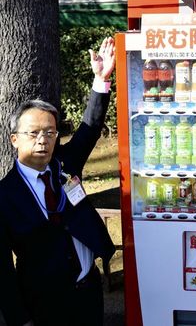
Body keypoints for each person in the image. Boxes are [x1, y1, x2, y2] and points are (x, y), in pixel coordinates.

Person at [0, 37, 117, 326]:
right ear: (15, 139)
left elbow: (89, 129)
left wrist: (101, 80)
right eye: (34, 133)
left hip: (89, 290)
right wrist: (20, 320)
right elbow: (1, 270)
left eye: (50, 132)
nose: (43, 140)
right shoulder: (5, 195)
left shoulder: (65, 164)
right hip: (45, 301)